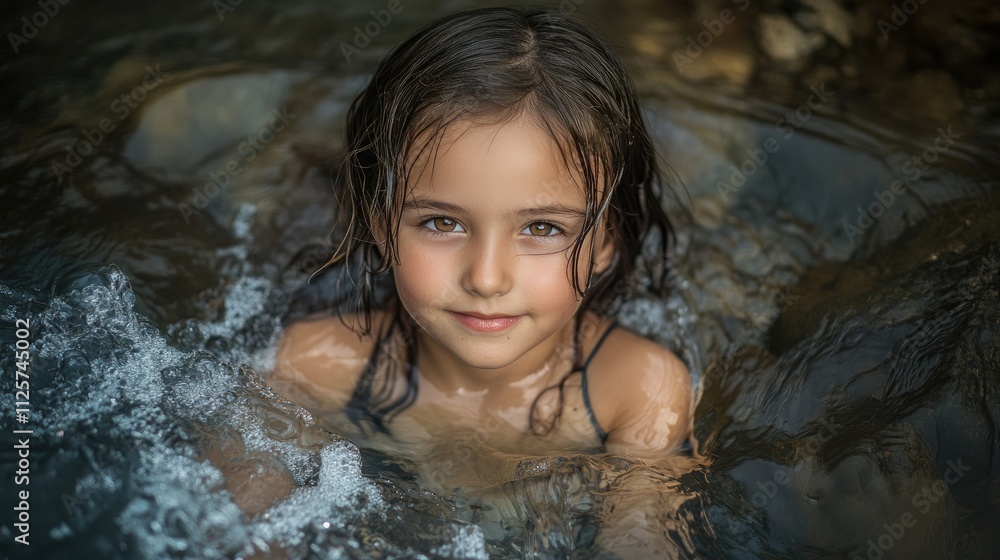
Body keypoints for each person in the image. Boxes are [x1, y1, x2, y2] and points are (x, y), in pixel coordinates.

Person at [267, 7, 693, 479]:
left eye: (543, 228)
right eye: (443, 223)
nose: (487, 279)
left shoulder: (638, 389)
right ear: (382, 228)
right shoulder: (318, 363)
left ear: (605, 242)